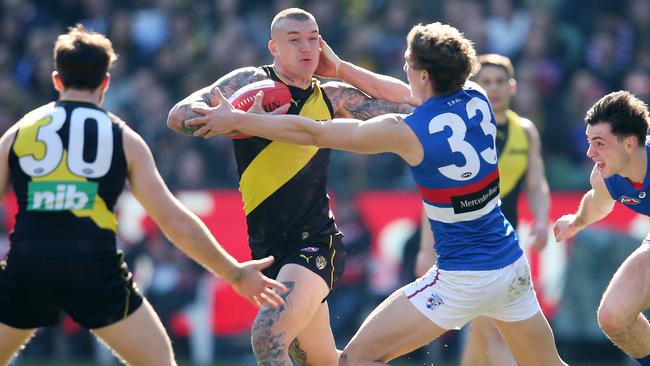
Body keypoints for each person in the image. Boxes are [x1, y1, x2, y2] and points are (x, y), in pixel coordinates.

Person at [185, 22, 567, 366]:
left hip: (461, 278)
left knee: (357, 359)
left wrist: (238, 120)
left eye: (407, 63)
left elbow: (315, 132)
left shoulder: (407, 130)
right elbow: (402, 92)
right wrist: (340, 69)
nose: (403, 70)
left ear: (422, 73)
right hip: (511, 265)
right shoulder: (477, 97)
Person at [0, 25, 286, 366]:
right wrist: (233, 273)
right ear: (105, 83)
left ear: (57, 80)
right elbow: (173, 220)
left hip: (30, 264)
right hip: (93, 266)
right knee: (160, 362)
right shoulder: (123, 138)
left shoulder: (18, 133)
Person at [166, 8, 412, 366]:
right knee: (327, 362)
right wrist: (228, 122)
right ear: (274, 48)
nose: (307, 47)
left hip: (316, 243)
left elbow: (410, 102)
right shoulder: (249, 83)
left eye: (313, 39)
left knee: (267, 337)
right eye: (294, 40)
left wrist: (341, 67)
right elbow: (178, 116)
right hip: (269, 251)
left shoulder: (333, 97)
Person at [415, 53, 551, 366]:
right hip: (465, 243)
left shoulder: (526, 131)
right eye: (486, 82)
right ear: (475, 86)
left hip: (505, 244)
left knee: (484, 332)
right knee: (487, 332)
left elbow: (536, 184)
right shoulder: (461, 130)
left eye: (500, 81)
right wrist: (426, 248)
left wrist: (542, 220)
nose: (494, 88)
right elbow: (437, 191)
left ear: (512, 86)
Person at [554, 90, 650, 366]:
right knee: (613, 317)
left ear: (630, 143)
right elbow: (598, 202)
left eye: (599, 143)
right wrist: (576, 222)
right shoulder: (606, 174)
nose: (589, 152)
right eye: (589, 142)